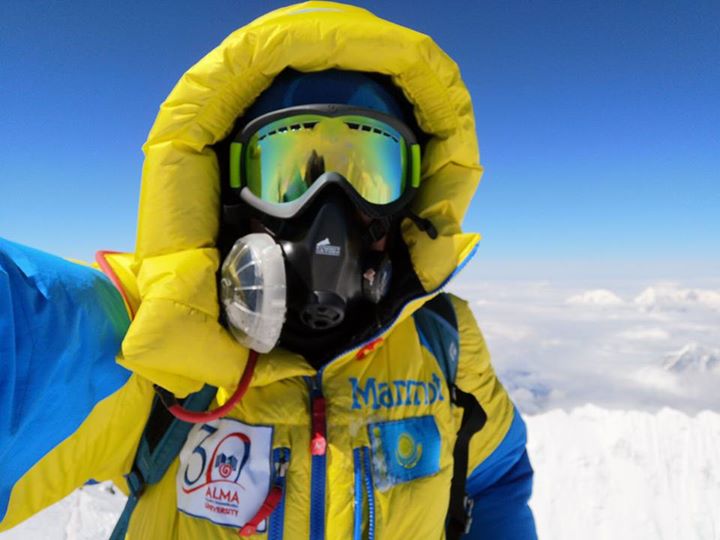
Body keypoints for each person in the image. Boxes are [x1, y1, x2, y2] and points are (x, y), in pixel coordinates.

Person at [0, 2, 536, 538]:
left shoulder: (444, 341)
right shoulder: (150, 342)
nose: (330, 207)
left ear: (412, 197)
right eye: (287, 174)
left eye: (370, 172)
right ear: (228, 189)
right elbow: (32, 338)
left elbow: (494, 477)